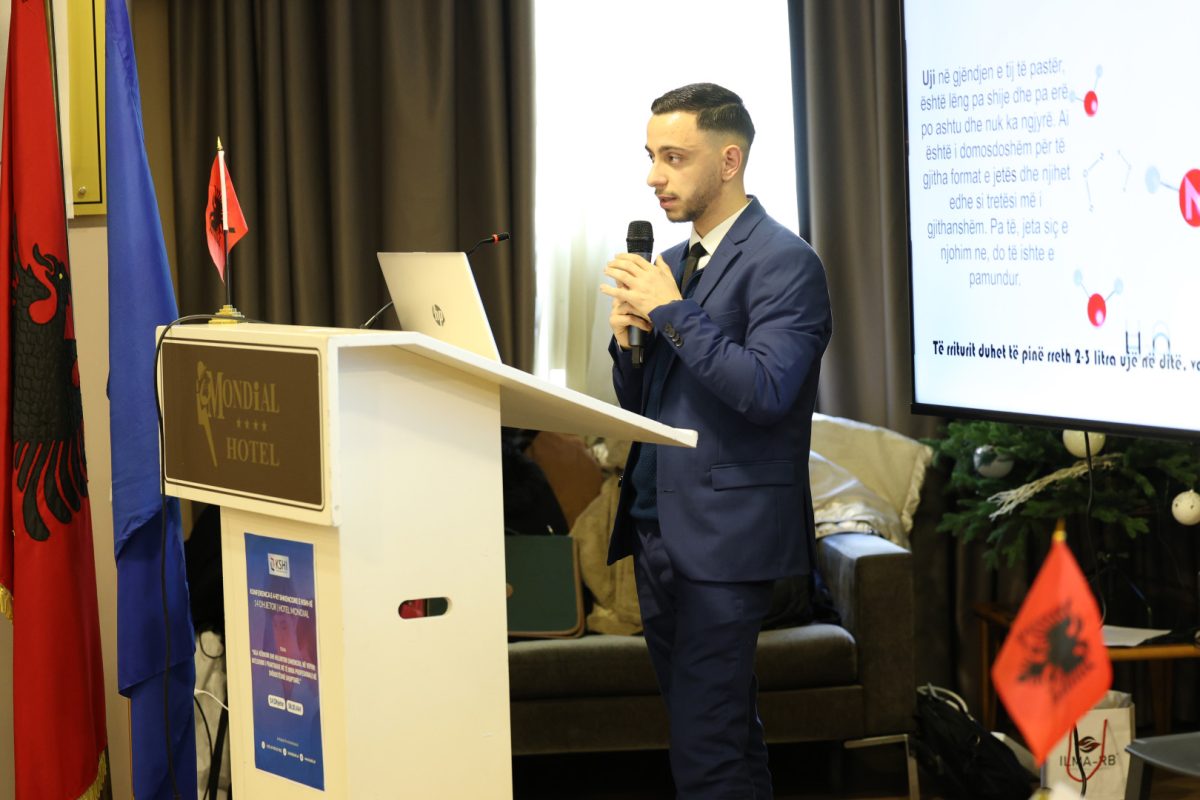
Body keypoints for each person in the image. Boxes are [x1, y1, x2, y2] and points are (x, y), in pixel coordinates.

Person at [599, 82, 833, 798]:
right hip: (656, 530)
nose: (654, 176)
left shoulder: (786, 262)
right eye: (650, 156)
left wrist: (671, 313)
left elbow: (765, 390)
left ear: (729, 161)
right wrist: (629, 346)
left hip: (726, 539)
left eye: (674, 157)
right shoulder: (674, 262)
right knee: (718, 734)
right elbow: (650, 405)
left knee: (706, 752)